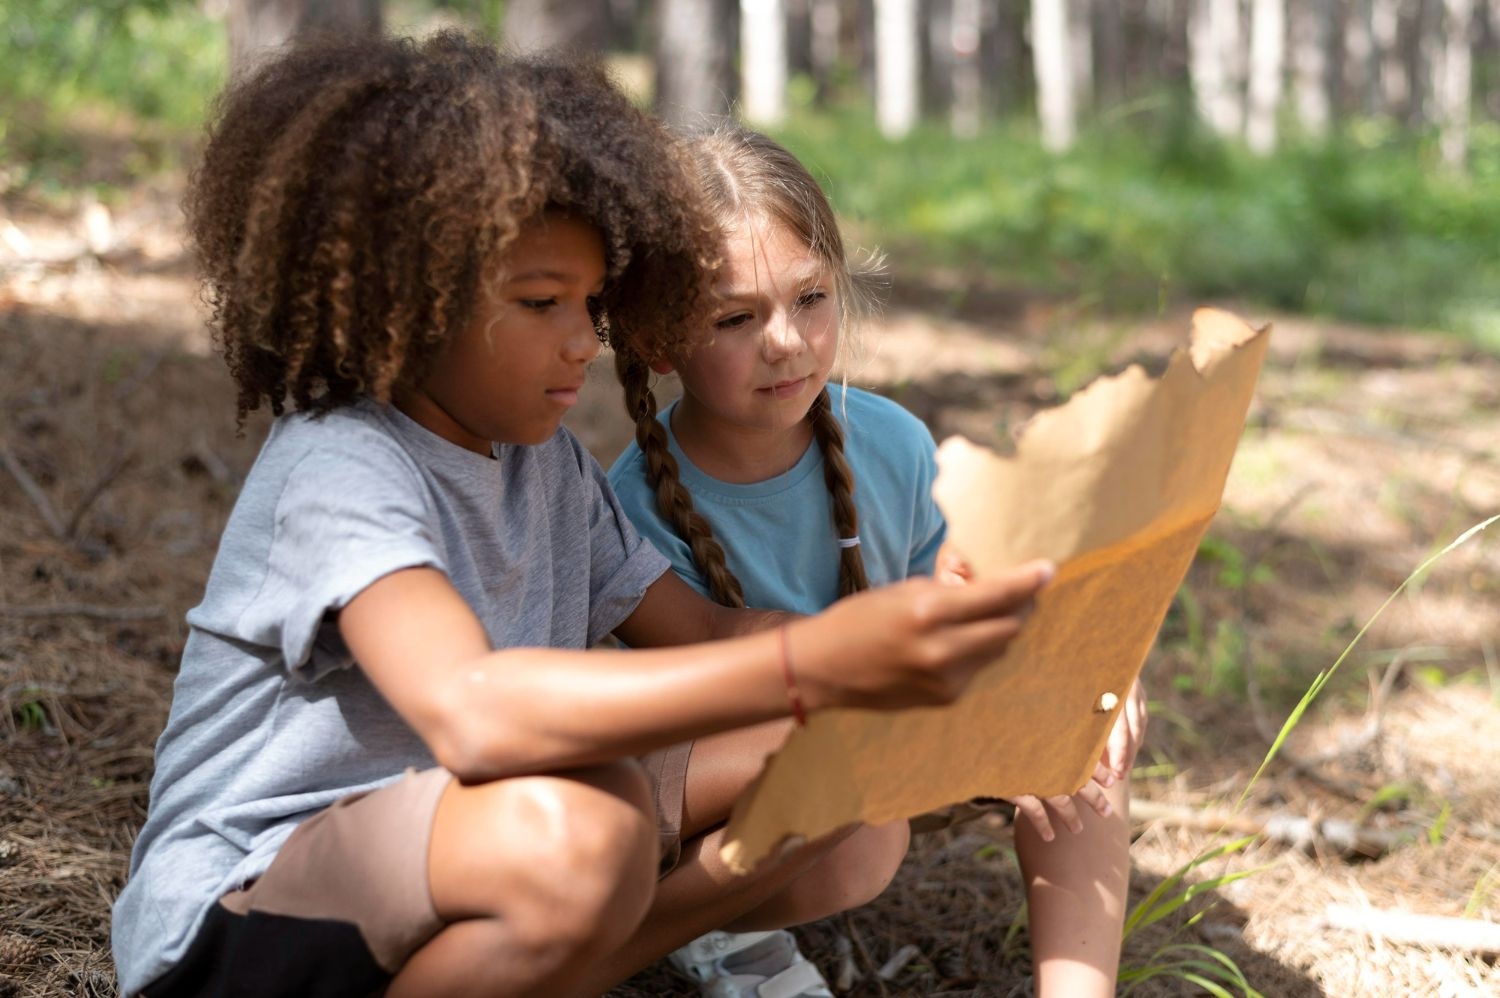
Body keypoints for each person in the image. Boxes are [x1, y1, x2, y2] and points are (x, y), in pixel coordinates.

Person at [109, 34, 1057, 998]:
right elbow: (476, 711)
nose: (582, 341)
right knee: (585, 824)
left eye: (592, 303)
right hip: (246, 914)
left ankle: (618, 958)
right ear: (407, 301)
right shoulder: (343, 462)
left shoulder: (546, 465)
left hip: (469, 865)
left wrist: (883, 663)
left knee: (829, 754)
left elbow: (709, 635)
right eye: (539, 302)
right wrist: (807, 665)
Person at [608, 127, 1147, 998]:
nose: (786, 341)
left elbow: (970, 592)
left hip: (898, 738)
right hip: (768, 797)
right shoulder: (634, 509)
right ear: (658, 340)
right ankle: (712, 933)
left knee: (1092, 706)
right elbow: (722, 725)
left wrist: (1081, 662)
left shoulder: (888, 441)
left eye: (810, 298)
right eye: (736, 318)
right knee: (861, 843)